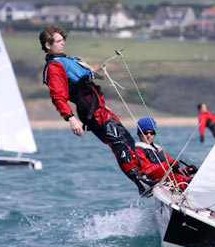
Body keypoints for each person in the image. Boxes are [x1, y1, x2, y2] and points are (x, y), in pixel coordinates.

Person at [40, 26, 153, 194]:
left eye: (63, 40)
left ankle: (148, 174)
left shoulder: (68, 60)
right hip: (92, 113)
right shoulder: (54, 68)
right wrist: (70, 118)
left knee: (128, 141)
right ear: (48, 45)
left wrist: (103, 104)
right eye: (58, 41)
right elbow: (58, 96)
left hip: (101, 109)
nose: (62, 43)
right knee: (119, 144)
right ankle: (141, 183)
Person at [134, 117, 197, 190]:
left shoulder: (158, 149)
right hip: (162, 183)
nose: (149, 135)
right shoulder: (138, 150)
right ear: (139, 134)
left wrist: (187, 171)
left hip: (176, 180)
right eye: (145, 133)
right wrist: (168, 165)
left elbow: (172, 171)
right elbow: (147, 171)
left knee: (199, 181)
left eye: (152, 133)